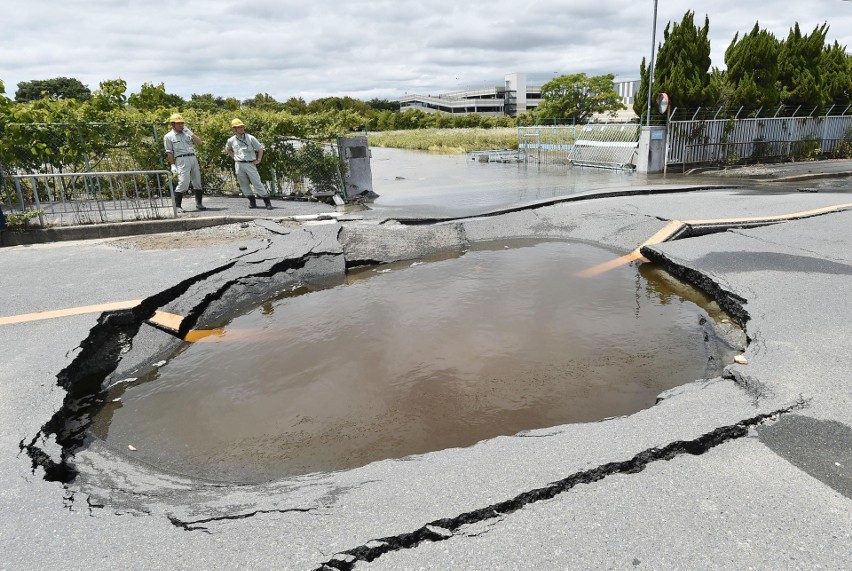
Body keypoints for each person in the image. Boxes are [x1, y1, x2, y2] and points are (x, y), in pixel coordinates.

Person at [225, 118, 272, 210]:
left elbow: (260, 148)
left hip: (250, 163)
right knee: (243, 184)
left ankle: (267, 202)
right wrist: (233, 157)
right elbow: (227, 148)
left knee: (257, 182)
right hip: (239, 164)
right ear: (234, 129)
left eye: (242, 126)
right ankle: (252, 201)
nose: (241, 128)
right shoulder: (231, 140)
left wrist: (258, 159)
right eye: (238, 127)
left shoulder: (250, 138)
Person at [163, 113, 206, 211]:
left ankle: (199, 204)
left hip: (192, 157)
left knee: (197, 181)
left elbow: (199, 143)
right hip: (181, 159)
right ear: (173, 124)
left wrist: (191, 133)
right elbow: (169, 152)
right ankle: (177, 206)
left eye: (182, 123)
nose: (181, 125)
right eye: (178, 123)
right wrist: (172, 164)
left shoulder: (187, 133)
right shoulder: (169, 136)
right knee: (183, 182)